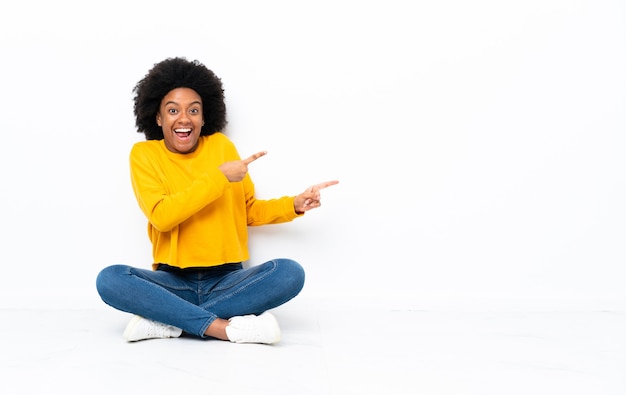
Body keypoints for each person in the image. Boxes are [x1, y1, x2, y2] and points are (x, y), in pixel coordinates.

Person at [95, 57, 338, 344]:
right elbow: (162, 215)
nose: (183, 118)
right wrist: (218, 178)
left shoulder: (222, 147)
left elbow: (247, 211)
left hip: (228, 281)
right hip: (173, 282)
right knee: (110, 279)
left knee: (288, 273)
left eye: (193, 110)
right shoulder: (145, 155)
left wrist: (293, 205)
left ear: (204, 117)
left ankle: (168, 320)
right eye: (173, 110)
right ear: (159, 118)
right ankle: (224, 329)